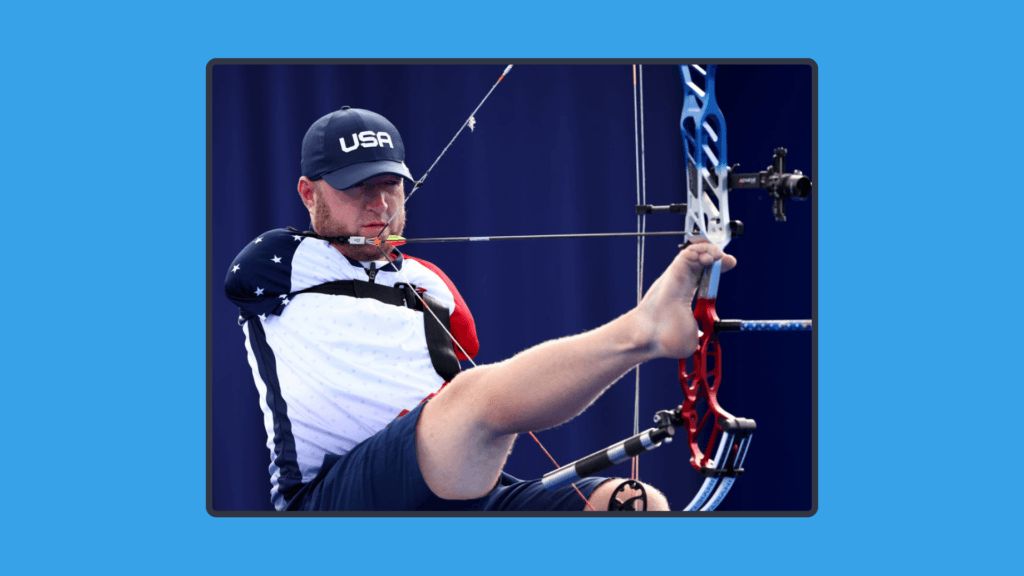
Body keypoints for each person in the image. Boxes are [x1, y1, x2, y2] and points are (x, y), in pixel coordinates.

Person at [225, 107, 736, 511]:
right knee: (473, 397)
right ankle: (643, 330)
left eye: (390, 185)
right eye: (358, 187)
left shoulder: (431, 285)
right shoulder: (282, 264)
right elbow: (240, 280)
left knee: (631, 504)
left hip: (451, 486)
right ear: (308, 193)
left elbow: (479, 390)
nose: (379, 204)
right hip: (334, 496)